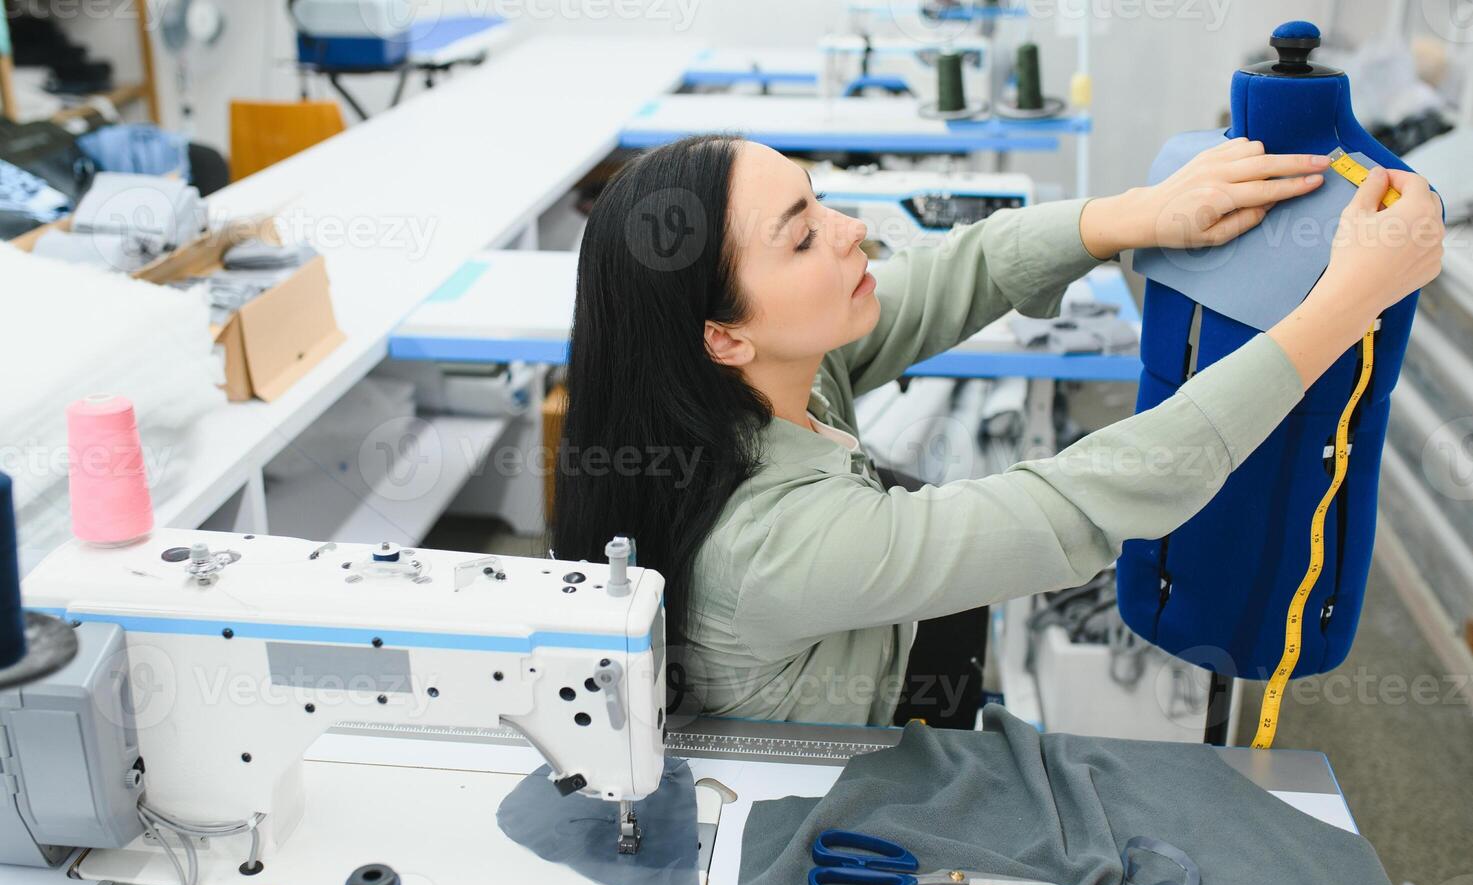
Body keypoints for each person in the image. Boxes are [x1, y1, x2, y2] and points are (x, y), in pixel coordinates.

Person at [552, 134, 1443, 726]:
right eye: (800, 237)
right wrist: (1345, 304)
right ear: (722, 333)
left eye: (821, 203)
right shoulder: (773, 545)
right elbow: (1084, 500)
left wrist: (1135, 217)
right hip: (815, 802)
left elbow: (955, 273)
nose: (853, 231)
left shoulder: (752, 380)